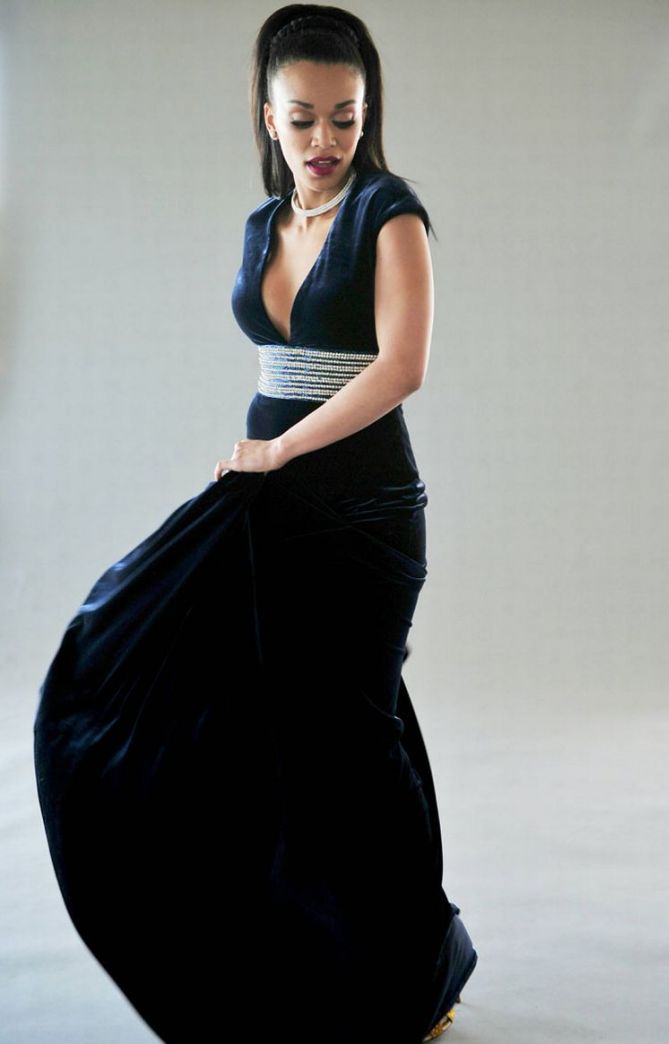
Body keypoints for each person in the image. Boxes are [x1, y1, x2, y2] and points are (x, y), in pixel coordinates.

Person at [33, 6, 478, 1042]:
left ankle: (420, 975)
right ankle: (289, 961)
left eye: (346, 117)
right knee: (233, 724)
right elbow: (280, 368)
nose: (325, 140)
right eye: (303, 118)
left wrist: (279, 451)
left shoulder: (391, 214)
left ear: (368, 114)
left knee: (357, 743)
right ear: (268, 116)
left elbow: (402, 368)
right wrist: (261, 465)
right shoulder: (259, 225)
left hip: (363, 518)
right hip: (265, 512)